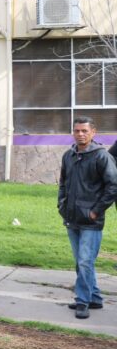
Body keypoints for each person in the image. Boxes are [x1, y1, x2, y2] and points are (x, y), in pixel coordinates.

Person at [57, 116, 117, 320]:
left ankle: (83, 301)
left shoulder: (102, 157)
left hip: (91, 221)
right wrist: (61, 205)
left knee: (84, 261)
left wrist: (97, 211)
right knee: (81, 262)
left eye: (84, 131)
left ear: (93, 132)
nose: (80, 134)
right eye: (77, 130)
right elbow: (63, 183)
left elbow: (113, 186)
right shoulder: (69, 155)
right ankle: (96, 298)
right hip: (71, 217)